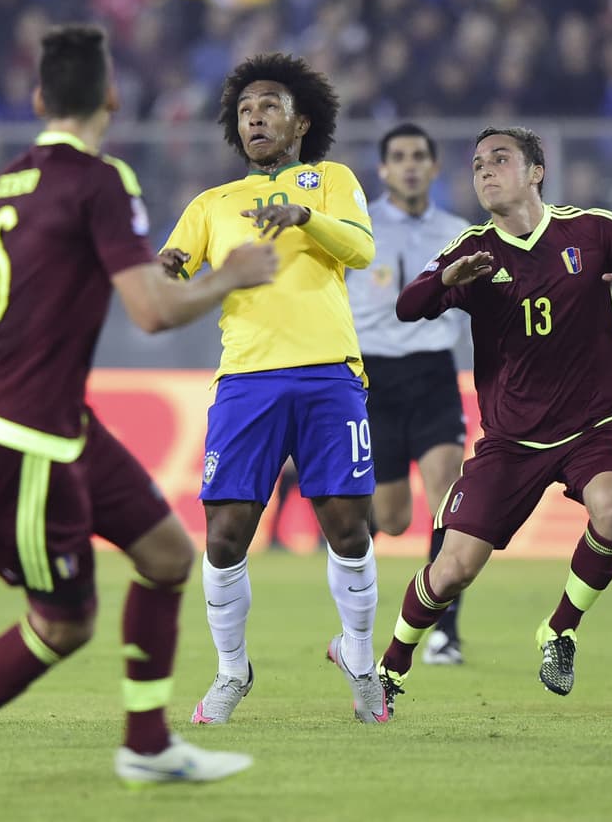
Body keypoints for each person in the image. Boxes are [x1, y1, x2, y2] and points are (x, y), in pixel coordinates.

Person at [0, 24, 275, 804]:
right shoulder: (101, 183)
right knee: (64, 625)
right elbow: (152, 313)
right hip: (26, 441)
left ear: (37, 99)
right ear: (112, 98)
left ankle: (148, 744)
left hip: (59, 424)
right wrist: (227, 276)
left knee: (167, 556)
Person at [375, 126, 612, 718]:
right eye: (477, 165)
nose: (486, 171)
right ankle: (391, 665)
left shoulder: (593, 230)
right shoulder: (473, 251)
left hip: (594, 427)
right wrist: (446, 281)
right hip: (509, 443)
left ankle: (559, 631)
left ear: (536, 171)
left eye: (501, 159)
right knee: (452, 570)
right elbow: (408, 304)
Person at [160, 53, 386, 726]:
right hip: (247, 381)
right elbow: (179, 284)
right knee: (226, 536)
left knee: (348, 528)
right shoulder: (211, 205)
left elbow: (362, 250)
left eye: (269, 107)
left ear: (300, 121)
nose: (255, 117)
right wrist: (170, 272)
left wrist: (302, 217)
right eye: (245, 111)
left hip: (328, 373)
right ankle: (233, 672)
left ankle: (361, 659)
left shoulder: (332, 181)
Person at [346, 122, 471, 665]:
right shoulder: (356, 227)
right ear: (383, 168)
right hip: (374, 378)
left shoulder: (458, 231)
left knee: (448, 495)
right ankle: (355, 614)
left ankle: (444, 631)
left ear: (435, 166)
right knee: (393, 517)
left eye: (419, 155)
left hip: (434, 374)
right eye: (399, 156)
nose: (410, 165)